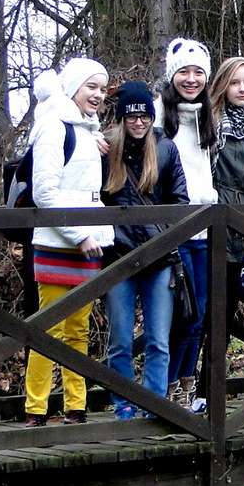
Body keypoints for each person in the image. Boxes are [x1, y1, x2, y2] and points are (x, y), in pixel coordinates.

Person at [23, 59, 115, 427]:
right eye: (90, 86)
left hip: (87, 244)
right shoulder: (53, 126)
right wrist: (81, 234)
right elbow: (45, 192)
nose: (98, 95)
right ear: (73, 87)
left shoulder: (86, 129)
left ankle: (76, 406)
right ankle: (36, 409)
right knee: (49, 329)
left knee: (78, 329)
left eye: (102, 88)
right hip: (58, 242)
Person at [184, 57, 244, 412]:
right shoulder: (208, 122)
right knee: (199, 313)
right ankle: (186, 389)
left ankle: (209, 390)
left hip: (242, 228)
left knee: (224, 312)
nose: (242, 89)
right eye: (235, 82)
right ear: (222, 86)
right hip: (209, 224)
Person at [102, 81, 190, 419]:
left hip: (160, 257)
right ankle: (123, 405)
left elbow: (180, 202)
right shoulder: (106, 150)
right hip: (118, 257)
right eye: (131, 117)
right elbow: (93, 200)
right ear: (122, 118)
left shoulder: (165, 149)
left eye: (144, 117)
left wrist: (163, 238)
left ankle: (154, 405)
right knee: (120, 340)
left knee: (158, 339)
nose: (138, 122)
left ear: (151, 118)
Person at [154, 38, 218, 408]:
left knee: (199, 313)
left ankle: (185, 386)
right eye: (184, 72)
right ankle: (164, 387)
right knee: (180, 313)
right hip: (172, 228)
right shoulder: (158, 115)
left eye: (198, 73)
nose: (191, 79)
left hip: (206, 227)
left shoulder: (209, 115)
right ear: (172, 75)